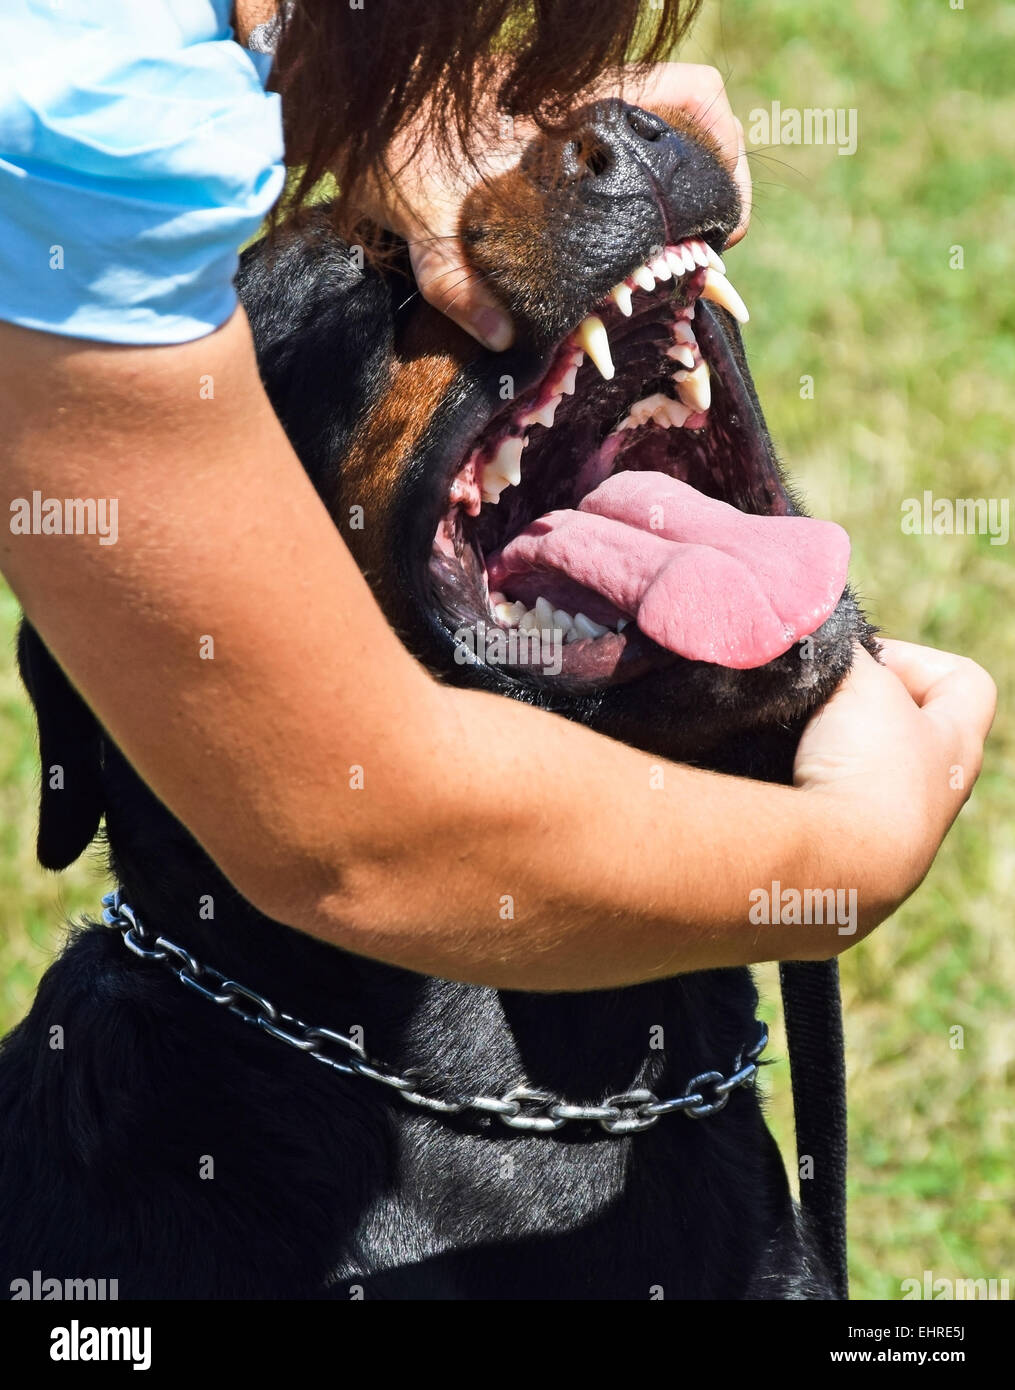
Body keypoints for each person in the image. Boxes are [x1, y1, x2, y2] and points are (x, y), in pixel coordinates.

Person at [0, 1, 994, 991]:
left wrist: (417, 101)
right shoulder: (61, 129)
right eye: (384, 290)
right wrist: (846, 858)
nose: (598, 128)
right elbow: (357, 838)